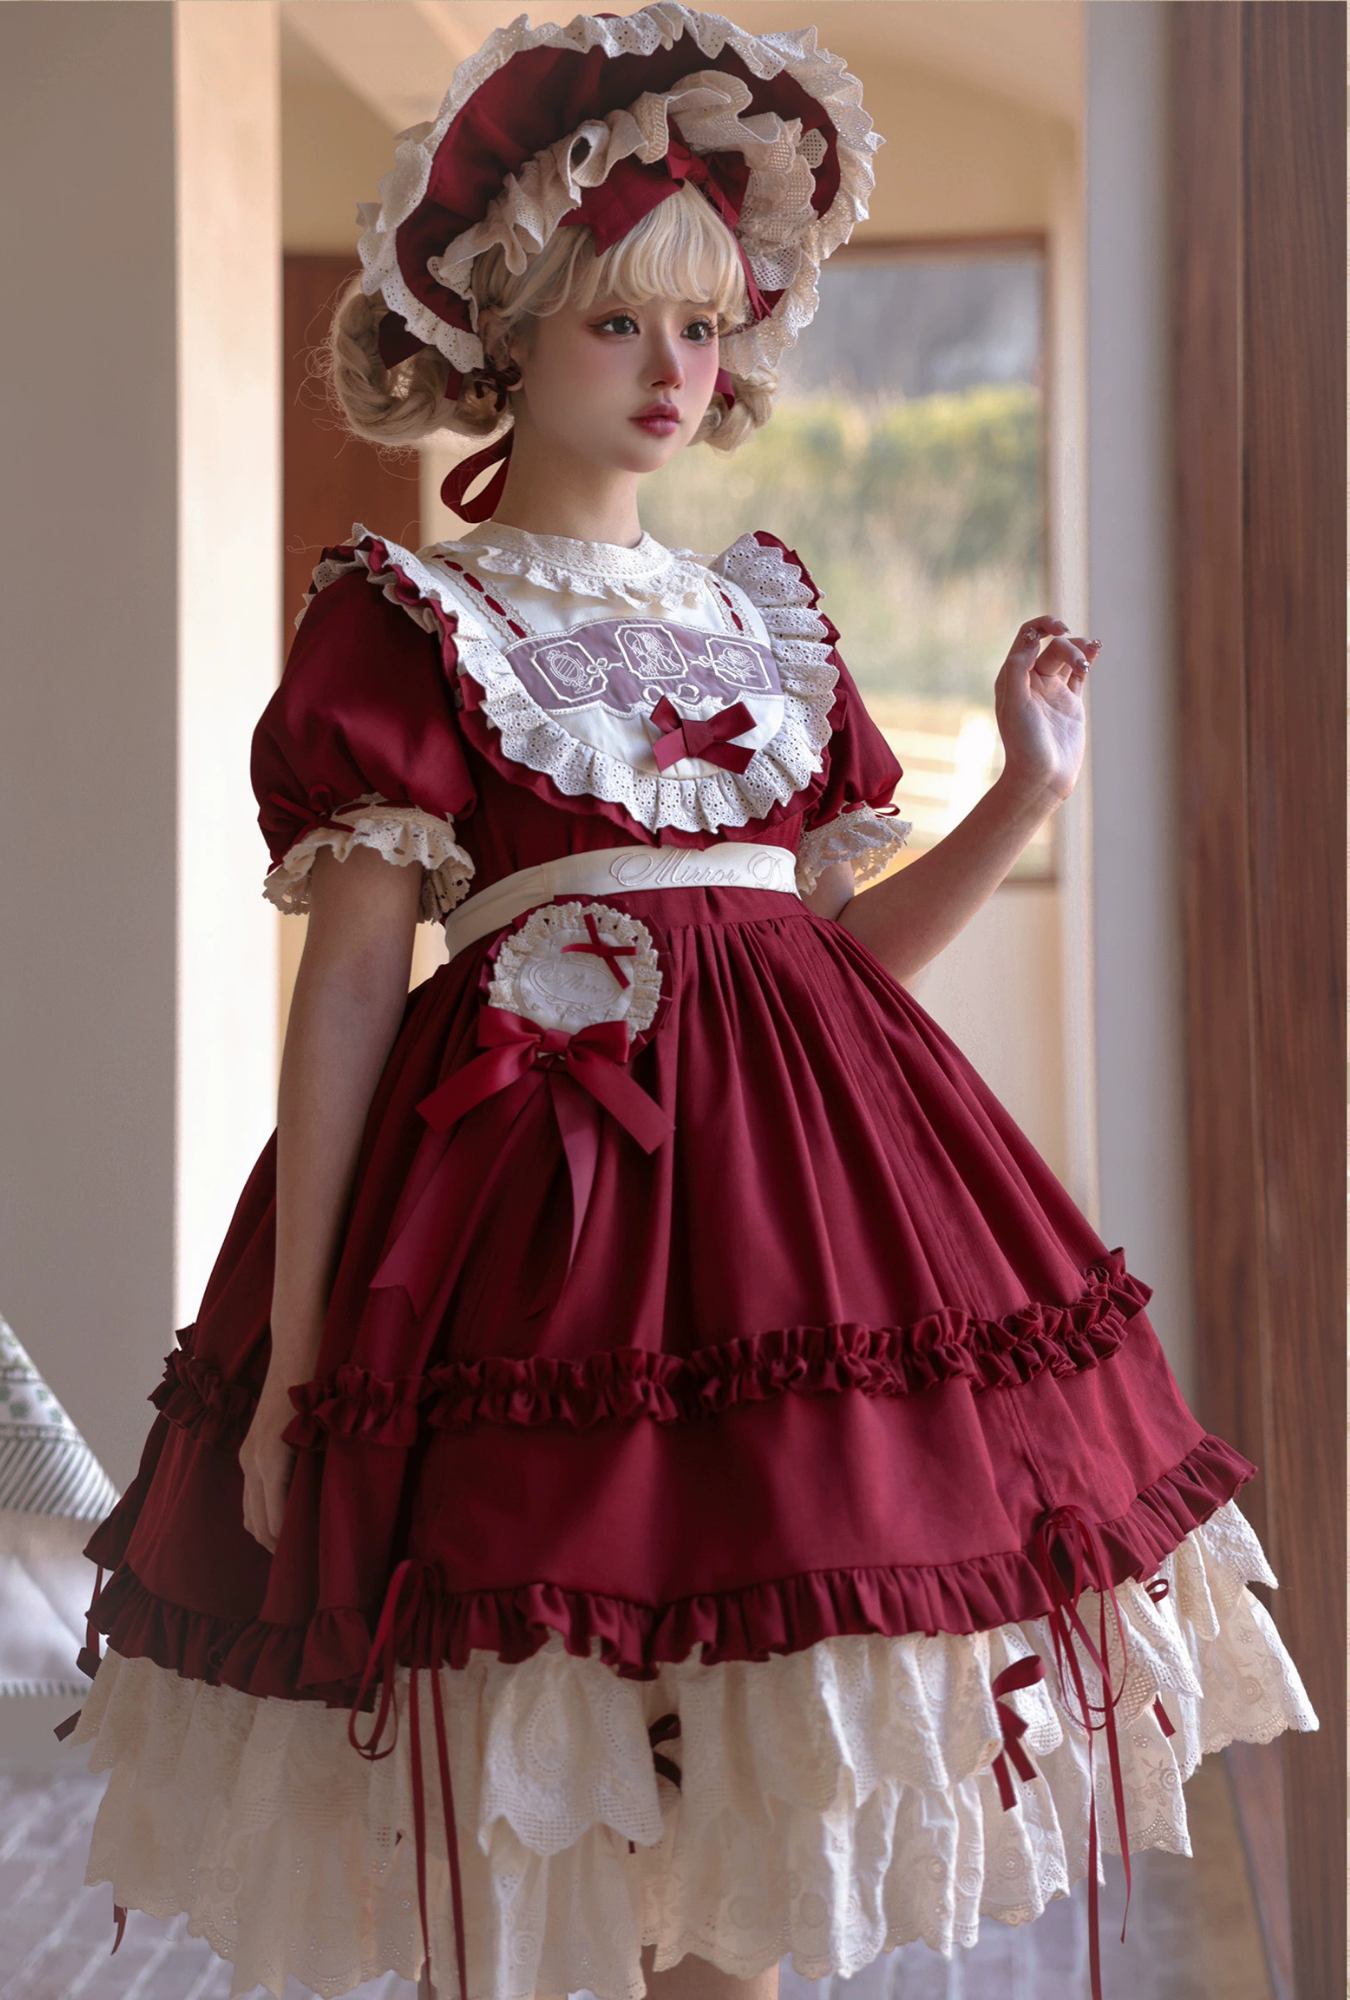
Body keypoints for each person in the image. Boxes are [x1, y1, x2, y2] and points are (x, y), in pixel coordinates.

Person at [68, 9, 1315, 2000]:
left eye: (707, 329)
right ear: (510, 333)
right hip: (523, 1256)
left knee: (751, 1787)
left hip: (790, 1260)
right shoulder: (410, 621)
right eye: (620, 324)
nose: (675, 371)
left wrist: (1022, 792)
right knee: (528, 1760)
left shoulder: (768, 621)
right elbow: (351, 990)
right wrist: (302, 1355)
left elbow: (831, 981)